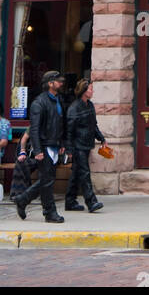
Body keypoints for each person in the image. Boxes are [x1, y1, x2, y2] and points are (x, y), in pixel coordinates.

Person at [16, 70, 70, 223]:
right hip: (44, 146)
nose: (61, 83)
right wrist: (38, 150)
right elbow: (34, 128)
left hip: (53, 144)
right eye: (57, 81)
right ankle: (49, 212)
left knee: (47, 180)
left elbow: (60, 124)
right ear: (50, 83)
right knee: (47, 181)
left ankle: (22, 199)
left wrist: (61, 143)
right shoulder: (39, 102)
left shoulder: (58, 99)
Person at [64, 78, 105, 213]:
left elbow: (94, 125)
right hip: (78, 146)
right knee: (85, 173)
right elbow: (69, 131)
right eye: (90, 89)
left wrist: (101, 138)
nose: (92, 91)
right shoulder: (74, 108)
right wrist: (69, 149)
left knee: (76, 173)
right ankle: (91, 201)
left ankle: (70, 201)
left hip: (87, 144)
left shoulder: (90, 105)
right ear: (83, 91)